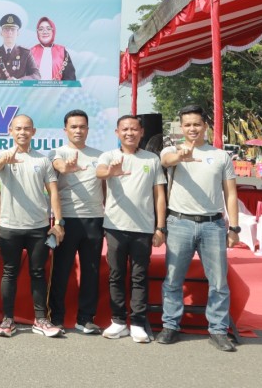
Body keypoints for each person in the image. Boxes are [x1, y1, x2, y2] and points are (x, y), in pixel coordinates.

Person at [156, 105, 240, 352]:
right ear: (181, 127)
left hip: (213, 225)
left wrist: (233, 227)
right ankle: (170, 325)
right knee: (172, 279)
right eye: (187, 125)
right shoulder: (172, 151)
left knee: (218, 282)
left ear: (205, 125)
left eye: (197, 124)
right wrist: (181, 156)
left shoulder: (221, 156)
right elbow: (165, 160)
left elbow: (231, 193)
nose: (192, 129)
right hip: (179, 222)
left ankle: (217, 329)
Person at [0, 114, 63, 338]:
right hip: (10, 226)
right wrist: (6, 159)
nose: (22, 132)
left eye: (27, 129)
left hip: (38, 227)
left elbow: (53, 193)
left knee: (38, 273)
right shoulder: (3, 157)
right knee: (9, 272)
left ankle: (40, 320)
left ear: (34, 132)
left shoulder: (42, 160)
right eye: (18, 129)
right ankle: (7, 321)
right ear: (10, 131)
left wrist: (58, 223)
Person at [95, 115, 167, 343]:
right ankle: (118, 321)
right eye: (124, 129)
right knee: (116, 275)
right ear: (117, 132)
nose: (129, 133)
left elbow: (159, 196)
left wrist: (160, 227)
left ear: (141, 132)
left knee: (139, 276)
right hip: (115, 227)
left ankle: (137, 322)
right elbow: (100, 173)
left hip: (143, 228)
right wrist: (110, 172)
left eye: (134, 129)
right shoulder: (109, 157)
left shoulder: (152, 159)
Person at [48, 110, 105, 334]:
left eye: (82, 127)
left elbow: (104, 187)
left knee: (91, 271)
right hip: (66, 222)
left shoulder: (99, 156)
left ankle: (85, 318)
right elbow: (60, 167)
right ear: (65, 130)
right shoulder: (57, 152)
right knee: (61, 271)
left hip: (95, 220)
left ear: (88, 130)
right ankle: (57, 318)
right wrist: (67, 167)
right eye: (73, 127)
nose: (78, 131)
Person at [0, 14, 40, 80]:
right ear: (1, 32)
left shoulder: (25, 53)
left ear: (18, 33)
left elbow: (36, 75)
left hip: (18, 90)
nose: (9, 32)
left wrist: (19, 81)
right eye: (6, 29)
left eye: (13, 29)